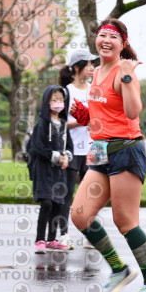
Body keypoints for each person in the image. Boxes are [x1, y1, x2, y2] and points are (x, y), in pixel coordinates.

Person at [69, 18, 146, 292]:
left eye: (113, 37)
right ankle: (118, 268)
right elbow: (106, 113)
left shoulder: (124, 72)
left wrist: (126, 77)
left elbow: (133, 111)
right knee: (80, 215)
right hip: (100, 150)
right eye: (102, 35)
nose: (106, 40)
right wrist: (87, 117)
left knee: (125, 220)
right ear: (96, 40)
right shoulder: (97, 72)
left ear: (123, 44)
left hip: (126, 149)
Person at [57, 50, 98, 250]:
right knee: (67, 194)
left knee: (90, 195)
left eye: (92, 64)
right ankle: (64, 235)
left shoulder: (95, 91)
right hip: (70, 150)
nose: (92, 68)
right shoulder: (65, 92)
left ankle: (90, 235)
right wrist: (81, 122)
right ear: (76, 67)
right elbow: (58, 123)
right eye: (87, 64)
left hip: (92, 150)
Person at [28, 85, 74, 254]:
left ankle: (52, 240)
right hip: (44, 170)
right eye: (54, 100)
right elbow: (37, 147)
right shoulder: (41, 125)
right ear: (47, 102)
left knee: (57, 205)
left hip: (59, 172)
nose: (58, 103)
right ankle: (40, 240)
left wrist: (67, 157)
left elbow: (70, 146)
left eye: (61, 100)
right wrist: (55, 156)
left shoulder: (64, 125)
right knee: (46, 203)